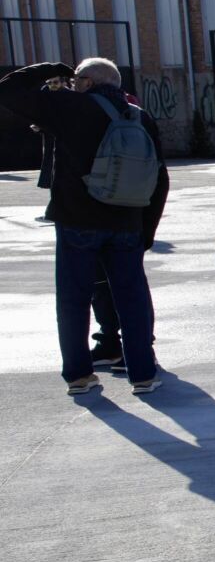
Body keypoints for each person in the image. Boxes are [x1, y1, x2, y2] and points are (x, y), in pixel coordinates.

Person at [0, 58, 169, 395]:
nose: (73, 84)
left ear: (88, 83)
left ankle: (79, 375)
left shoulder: (68, 107)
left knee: (73, 299)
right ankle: (143, 375)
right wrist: (146, 233)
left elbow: (7, 90)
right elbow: (159, 178)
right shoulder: (139, 117)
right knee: (132, 300)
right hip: (126, 222)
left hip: (76, 221)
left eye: (77, 80)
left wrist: (51, 68)